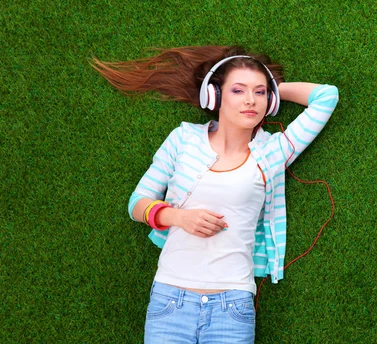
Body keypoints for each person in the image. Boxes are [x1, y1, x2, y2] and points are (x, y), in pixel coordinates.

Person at [92, 45, 339, 343]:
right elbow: (137, 204)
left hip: (232, 306)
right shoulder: (183, 138)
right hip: (170, 300)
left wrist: (273, 89)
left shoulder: (273, 151)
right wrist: (178, 217)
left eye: (260, 93)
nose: (251, 100)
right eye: (238, 91)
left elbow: (326, 96)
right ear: (215, 96)